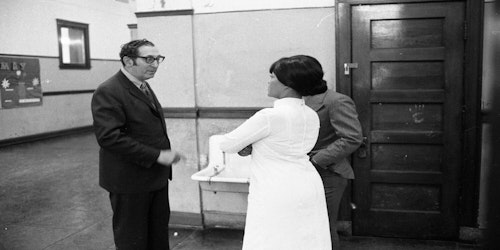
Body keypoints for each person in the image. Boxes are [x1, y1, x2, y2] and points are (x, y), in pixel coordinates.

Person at [219, 56, 332, 250]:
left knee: (272, 240)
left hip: (275, 188)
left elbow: (226, 144)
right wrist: (257, 144)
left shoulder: (269, 117)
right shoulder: (311, 115)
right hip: (307, 184)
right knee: (305, 241)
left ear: (287, 85)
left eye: (272, 77)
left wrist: (252, 144)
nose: (268, 81)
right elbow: (284, 144)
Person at [91, 39, 184, 250]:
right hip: (129, 181)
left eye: (158, 59)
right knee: (132, 240)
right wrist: (156, 155)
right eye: (148, 59)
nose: (155, 64)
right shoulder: (109, 90)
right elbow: (109, 137)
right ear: (128, 61)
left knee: (157, 237)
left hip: (154, 177)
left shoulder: (143, 85)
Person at [300, 55, 363, 248]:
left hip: (327, 173)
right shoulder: (296, 103)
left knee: (322, 229)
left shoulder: (336, 101)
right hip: (299, 172)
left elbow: (352, 138)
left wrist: (316, 161)